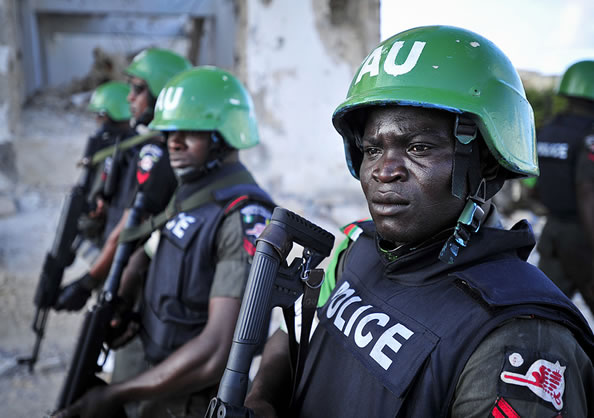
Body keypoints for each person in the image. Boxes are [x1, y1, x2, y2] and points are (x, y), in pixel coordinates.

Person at [244, 26, 594, 417]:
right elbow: (295, 330)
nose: (384, 171)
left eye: (418, 147)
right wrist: (261, 398)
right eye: (372, 150)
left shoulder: (522, 336)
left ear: (487, 163)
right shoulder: (356, 248)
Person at [54, 66, 275, 418]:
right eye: (171, 130)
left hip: (190, 402)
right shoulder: (192, 191)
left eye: (192, 131)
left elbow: (216, 353)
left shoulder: (243, 216)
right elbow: (154, 248)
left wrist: (116, 394)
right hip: (156, 378)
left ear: (225, 135)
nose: (174, 142)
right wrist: (124, 303)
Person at [54, 48, 190, 311]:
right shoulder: (145, 146)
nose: (129, 97)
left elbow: (129, 227)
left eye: (138, 89)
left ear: (161, 95)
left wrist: (88, 282)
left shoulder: (158, 154)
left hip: (136, 284)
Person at [536, 60, 594, 315]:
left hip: (552, 235)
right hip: (584, 235)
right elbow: (587, 191)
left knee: (545, 310)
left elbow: (531, 185)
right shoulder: (589, 134)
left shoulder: (548, 130)